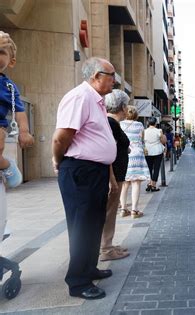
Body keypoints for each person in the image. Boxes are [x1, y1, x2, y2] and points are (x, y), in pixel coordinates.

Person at [52, 57, 117, 299]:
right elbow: (61, 137)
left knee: (94, 222)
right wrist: (59, 161)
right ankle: (78, 282)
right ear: (95, 76)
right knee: (81, 226)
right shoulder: (80, 97)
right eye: (110, 74)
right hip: (81, 170)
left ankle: (89, 268)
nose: (115, 80)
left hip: (94, 171)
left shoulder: (96, 100)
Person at [0, 31, 34, 261]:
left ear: (11, 61)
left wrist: (24, 131)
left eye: (1, 52)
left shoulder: (8, 86)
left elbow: (20, 111)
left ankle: (7, 166)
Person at [100, 89, 131, 262]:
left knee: (110, 211)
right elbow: (107, 152)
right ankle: (106, 249)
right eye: (126, 105)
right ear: (122, 107)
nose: (128, 109)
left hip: (116, 174)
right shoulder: (111, 123)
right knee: (110, 212)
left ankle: (108, 245)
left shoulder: (111, 123)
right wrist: (112, 179)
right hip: (114, 175)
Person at [119, 106, 150, 219]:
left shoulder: (120, 124)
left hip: (125, 154)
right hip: (137, 154)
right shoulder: (140, 125)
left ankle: (123, 209)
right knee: (136, 183)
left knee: (124, 184)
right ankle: (134, 210)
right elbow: (141, 140)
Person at [144, 117, 164, 192]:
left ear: (148, 123)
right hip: (157, 151)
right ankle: (154, 185)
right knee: (156, 169)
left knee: (148, 168)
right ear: (156, 123)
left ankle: (149, 183)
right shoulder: (159, 131)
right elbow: (162, 141)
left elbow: (142, 141)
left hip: (147, 152)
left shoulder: (144, 131)